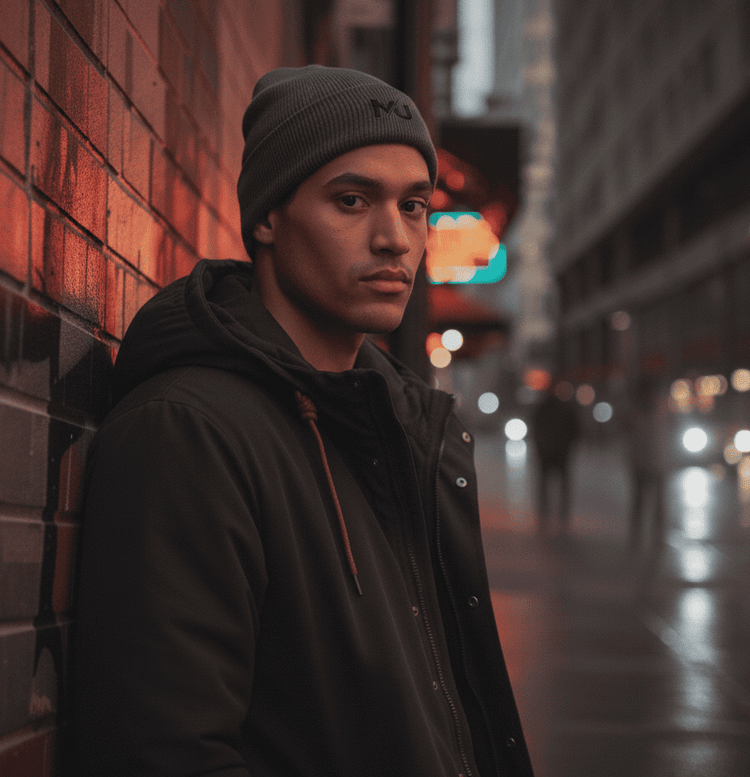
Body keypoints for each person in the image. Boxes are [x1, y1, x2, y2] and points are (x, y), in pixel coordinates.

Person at [73, 65, 534, 777]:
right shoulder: (189, 433)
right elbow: (164, 752)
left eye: (415, 206)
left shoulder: (396, 429)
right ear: (266, 216)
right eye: (352, 199)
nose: (396, 239)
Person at [530, 382, 580, 531]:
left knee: (547, 483)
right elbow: (576, 430)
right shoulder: (565, 408)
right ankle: (560, 512)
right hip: (558, 452)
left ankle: (548, 511)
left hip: (550, 451)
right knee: (560, 484)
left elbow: (536, 427)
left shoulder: (544, 408)